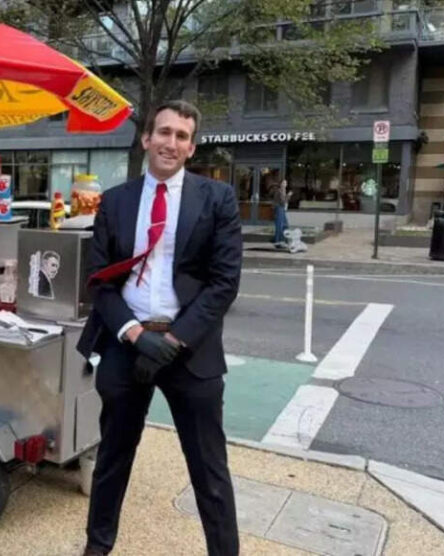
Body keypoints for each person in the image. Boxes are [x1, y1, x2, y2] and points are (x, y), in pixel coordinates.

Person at [77, 100, 242, 556]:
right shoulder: (115, 201)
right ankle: (97, 547)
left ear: (191, 147)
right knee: (112, 457)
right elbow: (100, 283)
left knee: (209, 469)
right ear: (147, 138)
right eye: (164, 132)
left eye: (182, 136)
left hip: (189, 348)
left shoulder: (217, 199)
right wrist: (134, 334)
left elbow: (224, 283)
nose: (171, 142)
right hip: (127, 344)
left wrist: (173, 339)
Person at [273, 179, 289, 247]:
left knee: (285, 224)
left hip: (282, 209)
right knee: (280, 225)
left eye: (286, 183)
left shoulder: (283, 191)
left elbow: (284, 201)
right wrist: (288, 196)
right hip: (279, 209)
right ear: (281, 184)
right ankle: (278, 241)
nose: (285, 184)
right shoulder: (279, 191)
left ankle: (282, 240)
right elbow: (283, 202)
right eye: (284, 183)